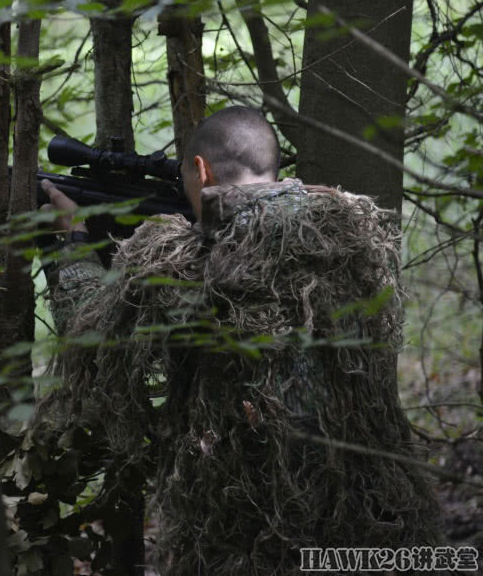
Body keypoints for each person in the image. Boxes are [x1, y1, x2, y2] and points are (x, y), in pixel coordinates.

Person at [34, 106, 441, 574]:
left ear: (201, 170)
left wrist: (74, 245)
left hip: (253, 535)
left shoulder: (193, 262)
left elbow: (91, 339)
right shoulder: (350, 235)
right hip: (378, 522)